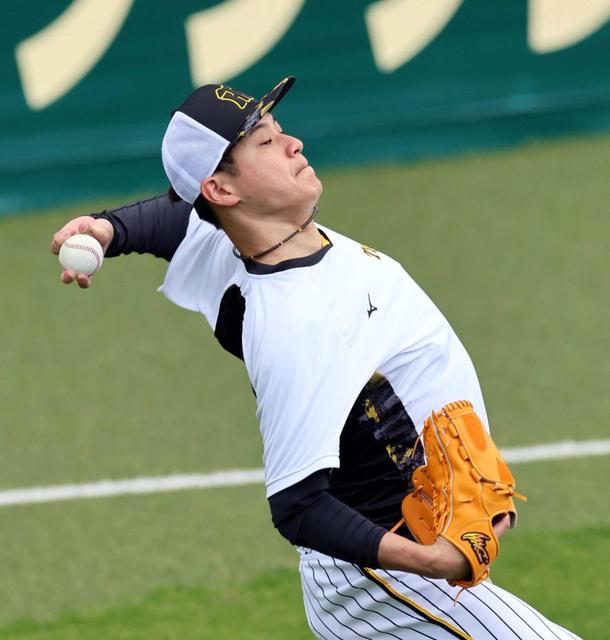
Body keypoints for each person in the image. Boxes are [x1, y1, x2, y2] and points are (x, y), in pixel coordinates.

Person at [51, 76, 580, 640]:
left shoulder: (240, 239)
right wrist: (432, 564)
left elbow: (178, 217)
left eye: (279, 131)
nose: (293, 144)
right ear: (224, 192)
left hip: (397, 559)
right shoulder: (296, 322)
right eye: (264, 143)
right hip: (389, 579)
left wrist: (108, 229)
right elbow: (297, 504)